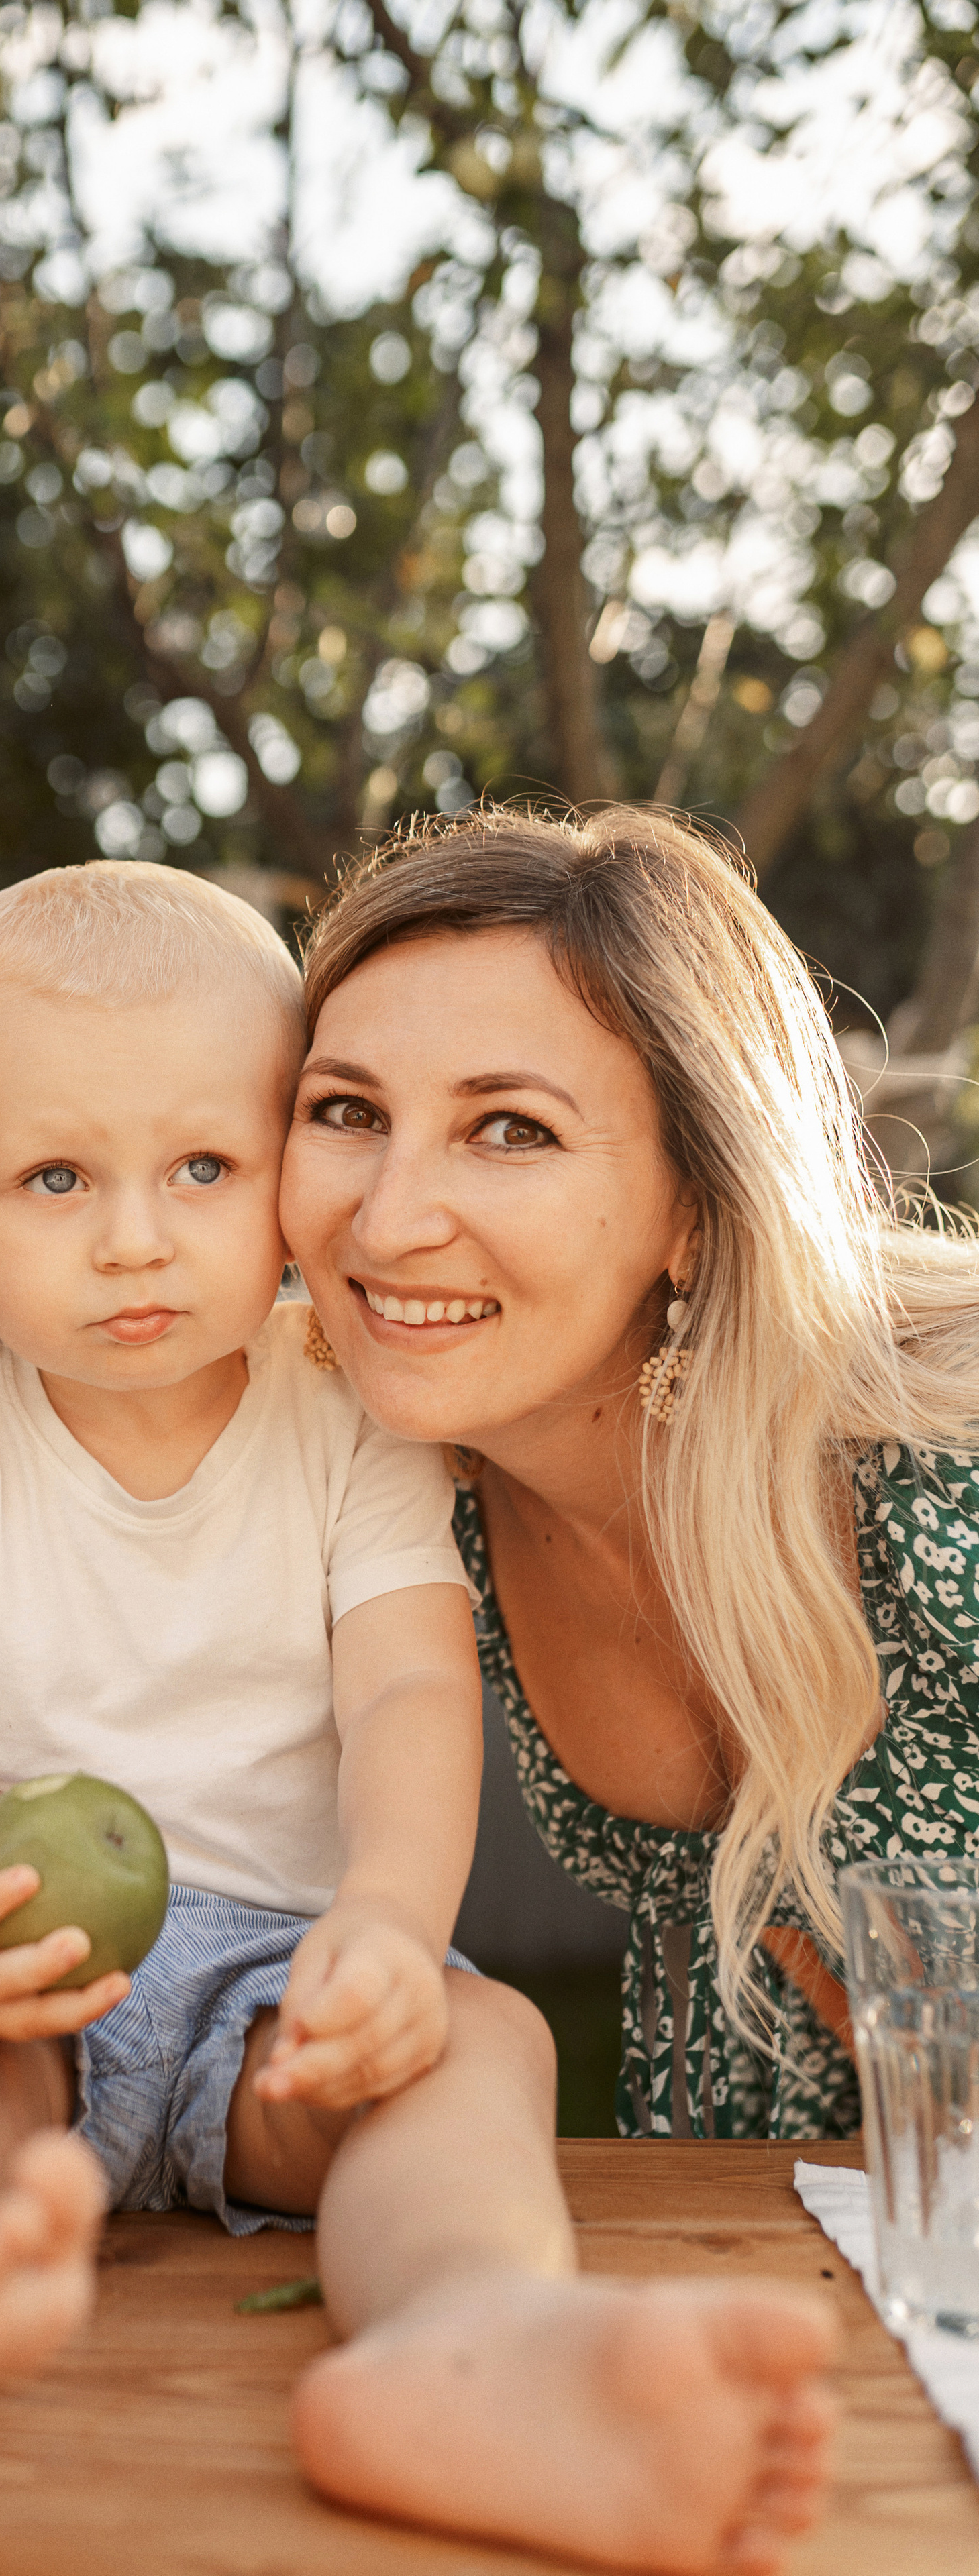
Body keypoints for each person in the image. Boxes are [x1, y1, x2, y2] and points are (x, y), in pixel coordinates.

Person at [0, 861, 839, 2576]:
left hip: (273, 2007)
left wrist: (387, 1927)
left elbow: (400, 1682)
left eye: (205, 1169)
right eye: (56, 1177)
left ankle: (466, 2350)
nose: (134, 1236)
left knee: (475, 2052)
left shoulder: (339, 1415)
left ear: (274, 1186)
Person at [280, 802, 979, 2143]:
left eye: (510, 1130)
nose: (385, 1219)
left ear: (694, 1205)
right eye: (346, 1111)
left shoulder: (936, 1476)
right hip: (760, 2210)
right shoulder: (398, 1498)